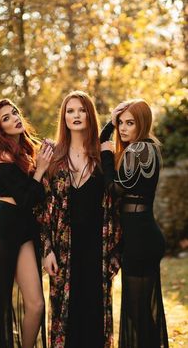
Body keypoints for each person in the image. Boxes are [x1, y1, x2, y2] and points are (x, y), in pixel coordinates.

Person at [36, 90, 121, 348]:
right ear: (64, 117)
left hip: (98, 249)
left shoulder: (103, 157)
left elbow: (117, 204)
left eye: (81, 110)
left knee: (95, 316)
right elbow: (41, 210)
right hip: (63, 251)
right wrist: (47, 250)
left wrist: (117, 250)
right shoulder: (54, 158)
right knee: (67, 318)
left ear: (89, 115)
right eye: (70, 111)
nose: (76, 115)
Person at [0, 99, 53, 348]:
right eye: (6, 118)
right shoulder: (3, 154)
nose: (14, 118)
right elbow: (26, 200)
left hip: (23, 233)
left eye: (14, 113)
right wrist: (40, 171)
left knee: (36, 305)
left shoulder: (25, 151)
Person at [100, 99, 169, 348]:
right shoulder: (145, 148)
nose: (123, 128)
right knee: (140, 314)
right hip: (141, 238)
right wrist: (110, 124)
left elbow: (114, 189)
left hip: (141, 241)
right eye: (121, 123)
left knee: (138, 315)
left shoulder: (139, 150)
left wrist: (106, 155)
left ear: (143, 124)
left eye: (130, 123)